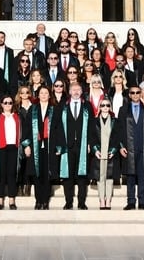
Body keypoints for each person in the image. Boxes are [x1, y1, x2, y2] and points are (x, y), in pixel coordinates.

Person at [118, 85, 144, 210]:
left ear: (141, 93)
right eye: (132, 93)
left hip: (143, 147)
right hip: (129, 147)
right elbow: (119, 129)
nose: (135, 95)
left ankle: (143, 202)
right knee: (130, 175)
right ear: (129, 95)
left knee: (142, 175)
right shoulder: (123, 110)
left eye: (137, 92)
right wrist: (121, 146)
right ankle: (131, 201)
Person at [23, 85, 59, 210]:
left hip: (50, 145)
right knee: (37, 174)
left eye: (46, 93)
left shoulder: (54, 109)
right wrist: (27, 145)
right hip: (35, 145)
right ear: (38, 95)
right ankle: (38, 200)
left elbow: (59, 129)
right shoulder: (32, 109)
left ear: (49, 95)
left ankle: (45, 201)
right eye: (41, 93)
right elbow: (26, 128)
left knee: (47, 174)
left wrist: (58, 146)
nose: (43, 95)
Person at [59, 82, 92, 210]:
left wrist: (89, 143)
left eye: (78, 89)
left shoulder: (87, 106)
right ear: (69, 91)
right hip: (67, 145)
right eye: (74, 89)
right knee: (68, 175)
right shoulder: (63, 106)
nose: (76, 92)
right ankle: (68, 202)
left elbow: (91, 125)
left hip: (82, 145)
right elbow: (58, 126)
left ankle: (81, 202)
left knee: (82, 175)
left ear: (82, 91)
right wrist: (60, 144)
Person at [0, 96, 22, 210]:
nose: (8, 105)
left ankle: (12, 199)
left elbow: (22, 133)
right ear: (1, 104)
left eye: (10, 103)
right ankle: (0, 199)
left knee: (12, 173)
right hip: (0, 148)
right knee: (0, 174)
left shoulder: (17, 117)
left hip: (14, 148)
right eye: (5, 102)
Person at [90, 97, 119, 209]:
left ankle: (108, 200)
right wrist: (95, 150)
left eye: (107, 105)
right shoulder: (94, 121)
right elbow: (91, 137)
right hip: (99, 153)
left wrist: (113, 150)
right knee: (100, 177)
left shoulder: (115, 121)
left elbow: (117, 137)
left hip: (110, 153)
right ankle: (102, 200)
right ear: (99, 107)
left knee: (109, 177)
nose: (105, 107)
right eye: (103, 105)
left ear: (110, 107)